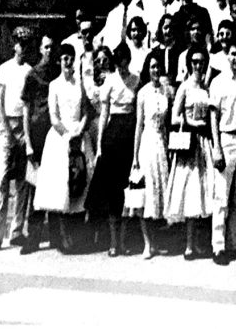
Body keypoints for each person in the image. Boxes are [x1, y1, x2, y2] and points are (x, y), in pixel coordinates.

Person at [33, 44, 96, 253]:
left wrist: (79, 130)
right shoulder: (54, 85)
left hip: (79, 134)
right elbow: (54, 117)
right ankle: (63, 238)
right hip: (61, 138)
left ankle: (79, 236)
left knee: (80, 181)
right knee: (63, 185)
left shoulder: (80, 85)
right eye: (64, 59)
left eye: (71, 58)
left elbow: (87, 111)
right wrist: (68, 135)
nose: (68, 63)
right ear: (59, 62)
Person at [0, 26, 34, 256]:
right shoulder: (4, 69)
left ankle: (17, 230)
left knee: (23, 180)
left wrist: (24, 134)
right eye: (19, 43)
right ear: (14, 45)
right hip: (6, 127)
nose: (22, 47)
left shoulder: (30, 71)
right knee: (2, 178)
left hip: (23, 127)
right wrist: (7, 129)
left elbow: (28, 104)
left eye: (26, 44)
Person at [85, 45, 138, 256]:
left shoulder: (135, 79)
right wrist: (99, 146)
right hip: (113, 135)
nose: (123, 66)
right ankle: (113, 242)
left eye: (126, 61)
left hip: (130, 133)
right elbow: (104, 115)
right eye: (120, 62)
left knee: (128, 188)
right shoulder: (110, 81)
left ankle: (125, 241)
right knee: (114, 190)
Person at [165, 47, 215, 259]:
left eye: (202, 62)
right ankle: (189, 244)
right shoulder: (184, 87)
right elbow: (174, 118)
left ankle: (201, 242)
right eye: (194, 62)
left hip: (204, 143)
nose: (198, 65)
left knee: (205, 191)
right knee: (190, 191)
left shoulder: (206, 87)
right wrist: (192, 122)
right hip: (189, 143)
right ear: (189, 64)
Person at [208, 39, 236, 265]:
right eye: (233, 54)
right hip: (225, 139)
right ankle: (218, 245)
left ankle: (233, 242)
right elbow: (213, 117)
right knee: (221, 195)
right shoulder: (218, 83)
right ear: (228, 56)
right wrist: (216, 148)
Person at [127, 54, 172, 259]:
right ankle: (147, 243)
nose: (156, 70)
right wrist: (135, 156)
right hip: (146, 143)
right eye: (152, 67)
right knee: (145, 195)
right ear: (148, 69)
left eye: (158, 67)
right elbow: (138, 125)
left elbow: (168, 124)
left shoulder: (166, 91)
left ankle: (156, 241)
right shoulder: (143, 93)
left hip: (161, 145)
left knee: (158, 194)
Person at [19, 34, 59, 255]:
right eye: (46, 47)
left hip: (54, 135)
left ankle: (55, 236)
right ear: (40, 49)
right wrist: (28, 143)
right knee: (35, 187)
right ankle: (32, 238)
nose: (49, 51)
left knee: (53, 183)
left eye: (52, 47)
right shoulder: (32, 75)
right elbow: (26, 110)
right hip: (36, 134)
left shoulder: (57, 72)